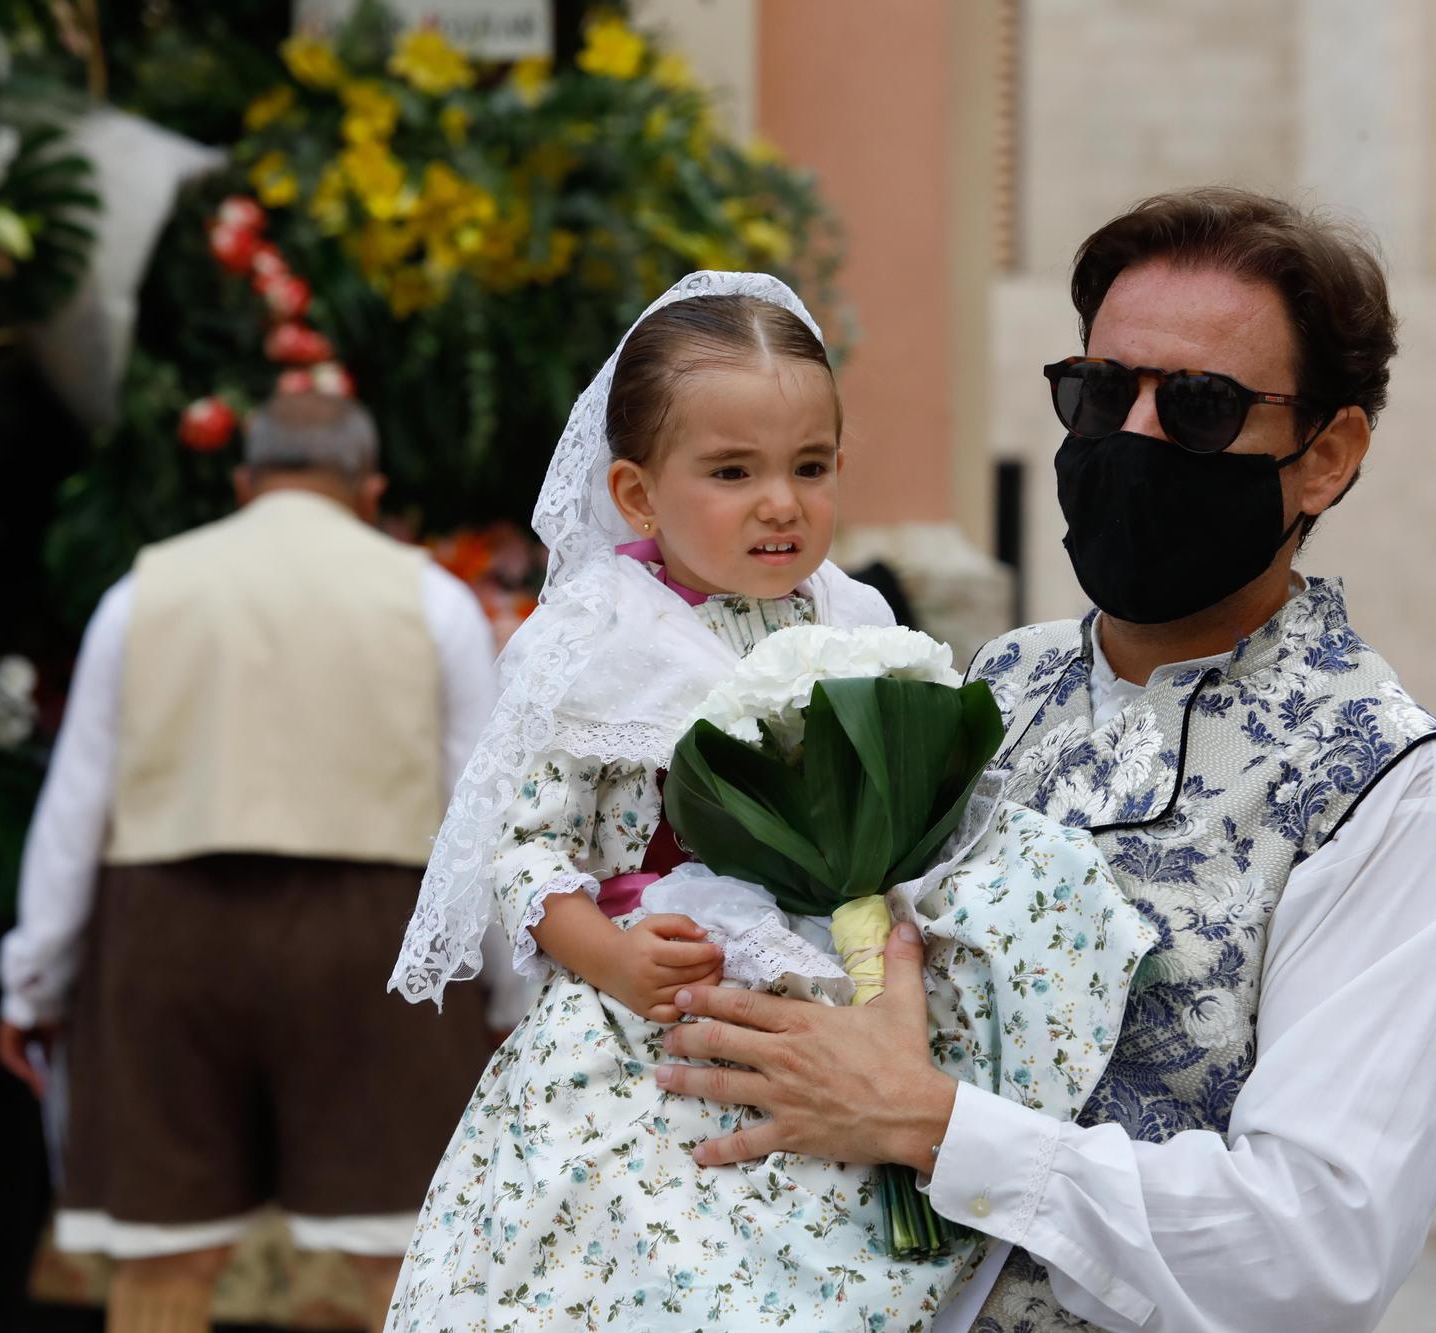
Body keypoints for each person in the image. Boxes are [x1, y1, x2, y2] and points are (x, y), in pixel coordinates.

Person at [650, 188, 1436, 1331]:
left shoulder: (1383, 780)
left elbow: (1316, 1241)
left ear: (1324, 455)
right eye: (1100, 391)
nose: (1131, 437)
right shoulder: (993, 683)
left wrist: (935, 1127)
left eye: (1195, 408)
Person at [383, 271, 1152, 1329]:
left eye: (807, 466)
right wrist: (610, 954)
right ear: (637, 493)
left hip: (832, 1003)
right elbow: (519, 848)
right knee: (651, 1263)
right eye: (731, 471)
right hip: (655, 1017)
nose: (780, 503)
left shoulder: (854, 612)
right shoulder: (595, 638)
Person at [0, 393, 503, 1333]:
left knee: (165, 1256)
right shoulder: (432, 599)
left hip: (167, 935)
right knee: (407, 1253)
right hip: (376, 944)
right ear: (371, 488)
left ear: (243, 482)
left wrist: (33, 982)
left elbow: (76, 805)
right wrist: (509, 995)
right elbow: (483, 813)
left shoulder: (140, 593)